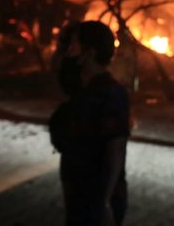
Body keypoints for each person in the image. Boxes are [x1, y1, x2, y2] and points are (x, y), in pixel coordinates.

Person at [49, 21, 131, 226]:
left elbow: (115, 149)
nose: (70, 52)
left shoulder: (110, 94)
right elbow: (58, 67)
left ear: (90, 53)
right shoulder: (83, 89)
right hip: (78, 191)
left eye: (74, 46)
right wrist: (63, 41)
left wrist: (103, 204)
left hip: (97, 197)